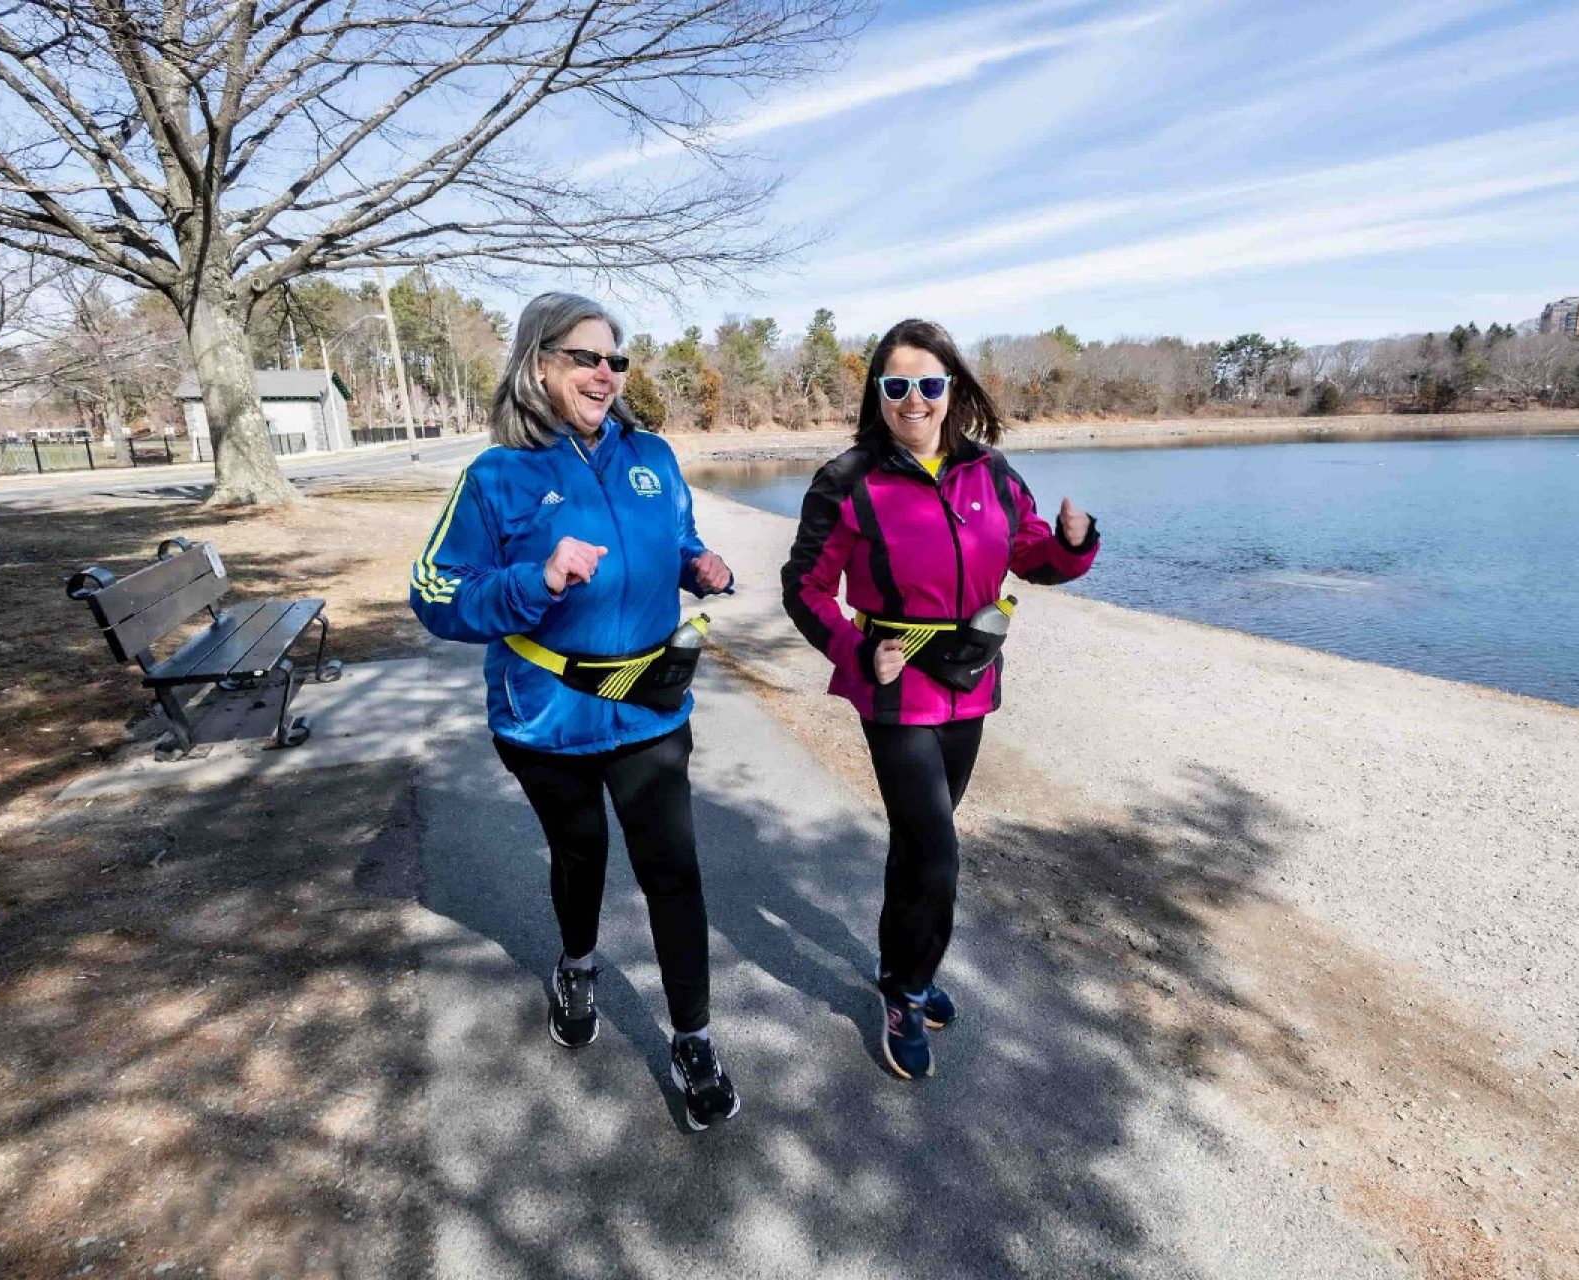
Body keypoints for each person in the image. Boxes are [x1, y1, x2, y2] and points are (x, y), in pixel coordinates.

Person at [409, 291, 741, 1130]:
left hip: (652, 708)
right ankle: (579, 962)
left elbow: (676, 536)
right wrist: (537, 578)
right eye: (585, 356)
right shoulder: (498, 474)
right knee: (582, 852)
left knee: (674, 868)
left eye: (615, 359)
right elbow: (434, 594)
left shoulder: (652, 456)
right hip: (546, 715)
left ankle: (694, 1037)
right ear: (538, 365)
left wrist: (699, 565)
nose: (605, 373)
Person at [780, 318, 1099, 1080]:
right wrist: (857, 651)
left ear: (951, 389)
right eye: (897, 386)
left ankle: (899, 969)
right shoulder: (848, 480)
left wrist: (1074, 544)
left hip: (971, 677)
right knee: (937, 850)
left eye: (929, 383)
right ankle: (910, 991)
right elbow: (805, 587)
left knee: (920, 842)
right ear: (879, 395)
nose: (914, 399)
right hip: (893, 684)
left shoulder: (989, 473)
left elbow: (1031, 557)